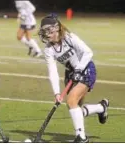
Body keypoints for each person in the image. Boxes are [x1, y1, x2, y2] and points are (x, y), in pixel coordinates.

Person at [38, 14, 109, 143]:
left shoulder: (69, 38)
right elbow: (52, 71)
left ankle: (81, 138)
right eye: (44, 32)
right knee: (76, 109)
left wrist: (79, 69)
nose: (46, 35)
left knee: (71, 101)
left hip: (86, 68)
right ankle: (101, 108)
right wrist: (57, 93)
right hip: (71, 74)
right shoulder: (49, 49)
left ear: (56, 28)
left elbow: (88, 52)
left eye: (48, 31)